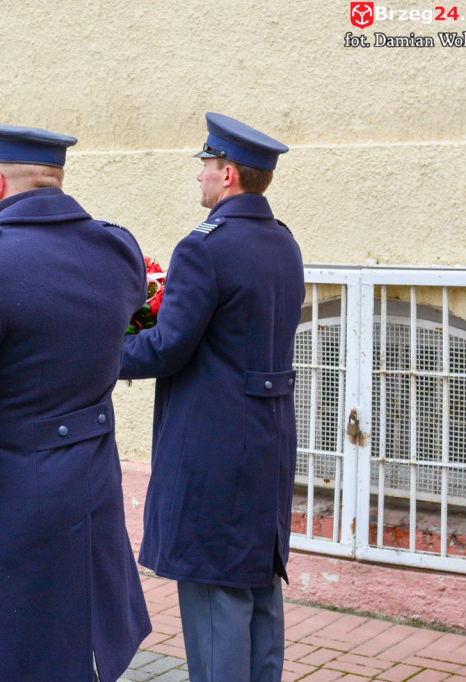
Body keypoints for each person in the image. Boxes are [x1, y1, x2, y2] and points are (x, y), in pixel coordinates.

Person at [0, 123, 152, 682]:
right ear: (55, 179)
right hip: (91, 491)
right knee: (73, 659)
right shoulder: (116, 247)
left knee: (8, 662)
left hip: (9, 507)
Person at [120, 113, 305, 682]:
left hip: (213, 446)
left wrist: (98, 354)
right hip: (268, 439)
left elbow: (168, 348)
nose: (199, 175)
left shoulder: (204, 248)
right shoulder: (283, 242)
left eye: (205, 165)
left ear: (227, 174)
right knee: (258, 591)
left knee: (213, 599)